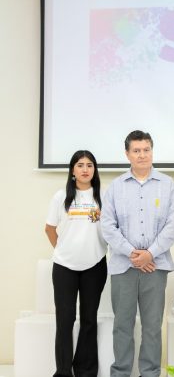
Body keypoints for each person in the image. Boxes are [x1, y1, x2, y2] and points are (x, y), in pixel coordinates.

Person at [101, 130, 174, 377]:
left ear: (152, 151)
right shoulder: (116, 187)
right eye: (136, 150)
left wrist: (150, 254)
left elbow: (172, 226)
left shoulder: (167, 184)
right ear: (127, 154)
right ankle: (121, 372)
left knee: (152, 326)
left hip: (155, 267)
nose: (142, 155)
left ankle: (150, 372)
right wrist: (133, 254)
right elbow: (107, 226)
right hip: (123, 266)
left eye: (146, 150)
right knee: (122, 325)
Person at [45, 150, 107, 377]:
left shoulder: (103, 197)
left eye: (89, 165)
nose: (85, 169)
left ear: (95, 170)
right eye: (80, 165)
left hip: (95, 266)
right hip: (64, 268)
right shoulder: (61, 196)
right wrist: (63, 250)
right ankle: (63, 371)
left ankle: (86, 371)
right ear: (73, 170)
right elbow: (49, 229)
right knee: (65, 320)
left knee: (89, 319)